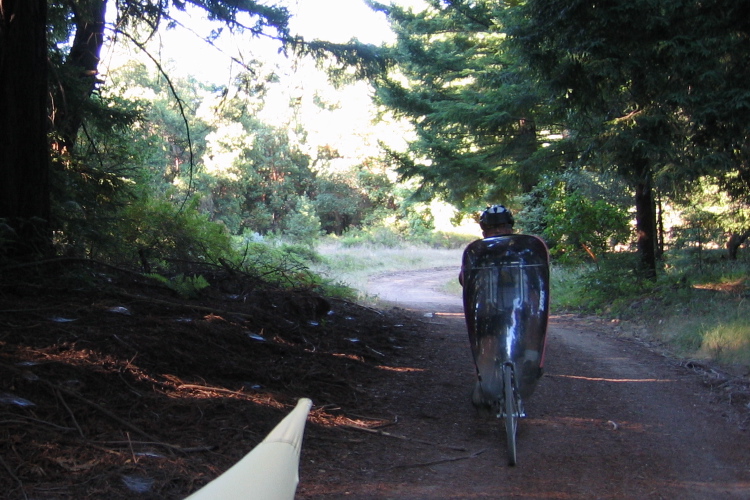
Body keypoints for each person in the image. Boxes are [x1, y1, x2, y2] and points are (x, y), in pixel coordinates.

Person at [458, 205, 514, 286]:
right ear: (484, 234)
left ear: (510, 230)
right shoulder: (477, 254)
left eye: (502, 226)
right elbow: (464, 280)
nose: (497, 230)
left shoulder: (522, 252)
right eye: (491, 227)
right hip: (486, 298)